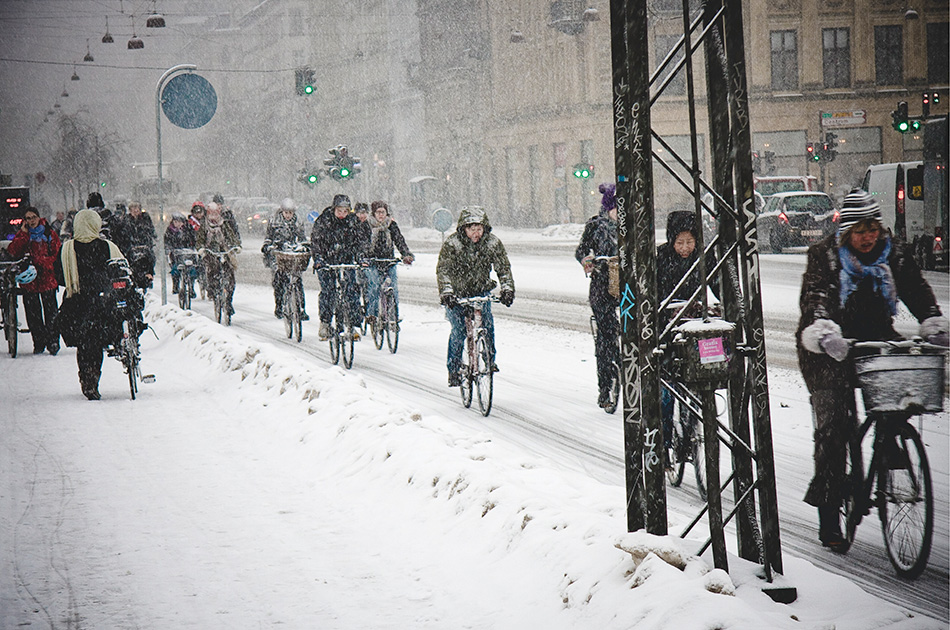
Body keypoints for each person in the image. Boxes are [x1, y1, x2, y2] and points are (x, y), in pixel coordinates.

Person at [796, 188, 947, 552]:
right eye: (860, 231)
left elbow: (915, 288)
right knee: (835, 427)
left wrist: (932, 320)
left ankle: (889, 445)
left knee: (897, 400)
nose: (868, 237)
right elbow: (816, 298)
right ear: (846, 231)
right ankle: (831, 512)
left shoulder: (893, 252)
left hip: (874, 338)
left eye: (873, 229)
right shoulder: (826, 257)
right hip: (827, 347)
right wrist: (825, 332)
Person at [656, 210, 719, 445]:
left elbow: (717, 284)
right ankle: (665, 441)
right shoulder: (661, 257)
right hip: (667, 329)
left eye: (690, 242)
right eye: (680, 242)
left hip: (694, 326)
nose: (685, 248)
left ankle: (691, 428)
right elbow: (651, 292)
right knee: (667, 391)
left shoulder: (704, 257)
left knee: (699, 381)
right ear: (671, 240)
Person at [436, 207, 514, 387]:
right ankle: (454, 369)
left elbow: (503, 268)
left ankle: (489, 359)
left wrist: (507, 288)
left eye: (479, 228)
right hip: (457, 295)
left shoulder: (492, 243)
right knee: (459, 331)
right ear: (463, 228)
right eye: (472, 229)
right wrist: (447, 292)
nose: (476, 233)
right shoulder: (452, 244)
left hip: (480, 291)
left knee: (487, 324)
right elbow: (444, 270)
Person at [55, 209, 125, 400]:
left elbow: (59, 276)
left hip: (76, 304)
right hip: (102, 303)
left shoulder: (67, 249)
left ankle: (86, 378)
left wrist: (75, 280)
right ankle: (93, 378)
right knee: (96, 343)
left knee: (85, 345)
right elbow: (121, 271)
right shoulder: (107, 247)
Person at [575, 183, 619, 409]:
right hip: (602, 286)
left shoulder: (633, 225)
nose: (619, 214)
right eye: (616, 208)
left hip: (628, 288)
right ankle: (604, 388)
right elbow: (581, 250)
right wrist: (588, 261)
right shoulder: (595, 226)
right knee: (606, 337)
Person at [7, 206, 62, 355]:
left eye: (33, 217)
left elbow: (56, 254)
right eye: (28, 218)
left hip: (47, 278)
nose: (31, 221)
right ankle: (39, 342)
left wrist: (40, 261)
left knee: (51, 313)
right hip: (29, 280)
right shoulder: (22, 235)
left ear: (39, 217)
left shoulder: (49, 233)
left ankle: (52, 341)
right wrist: (24, 235)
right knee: (33, 314)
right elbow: (13, 251)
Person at [311, 194, 366, 340]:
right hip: (327, 260)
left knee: (352, 290)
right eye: (339, 211)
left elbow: (359, 241)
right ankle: (325, 323)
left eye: (345, 211)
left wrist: (360, 257)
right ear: (334, 209)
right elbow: (316, 240)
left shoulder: (353, 222)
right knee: (328, 292)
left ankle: (353, 325)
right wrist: (318, 259)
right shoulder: (324, 220)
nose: (342, 215)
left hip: (346, 259)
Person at [364, 200, 414, 328]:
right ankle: (372, 315)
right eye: (378, 212)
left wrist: (406, 254)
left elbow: (399, 240)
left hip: (388, 260)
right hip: (372, 261)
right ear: (373, 213)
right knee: (374, 285)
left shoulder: (391, 225)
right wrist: (364, 257)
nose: (381, 215)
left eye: (383, 212)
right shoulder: (366, 226)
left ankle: (393, 316)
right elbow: (362, 243)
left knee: (394, 288)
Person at [262, 197, 309, 320]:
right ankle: (279, 305)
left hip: (293, 254)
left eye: (291, 213)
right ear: (282, 211)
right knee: (279, 279)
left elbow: (302, 237)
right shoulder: (274, 221)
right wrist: (268, 246)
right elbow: (268, 237)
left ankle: (301, 308)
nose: (288, 215)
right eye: (286, 213)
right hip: (279, 254)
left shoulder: (298, 222)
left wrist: (305, 246)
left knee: (298, 281)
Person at [196, 202, 241, 317]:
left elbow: (232, 237)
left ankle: (228, 302)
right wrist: (201, 249)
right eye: (211, 214)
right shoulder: (204, 225)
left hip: (224, 253)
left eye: (216, 214)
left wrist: (236, 246)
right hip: (211, 253)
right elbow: (200, 239)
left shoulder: (224, 224)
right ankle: (212, 291)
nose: (213, 217)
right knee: (212, 271)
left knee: (230, 277)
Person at [114, 200, 156, 288]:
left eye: (137, 208)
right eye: (133, 208)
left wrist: (148, 239)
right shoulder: (126, 220)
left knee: (149, 257)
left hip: (144, 245)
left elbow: (150, 231)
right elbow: (123, 234)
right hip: (131, 247)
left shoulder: (145, 218)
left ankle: (149, 275)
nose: (135, 210)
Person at [164, 212, 196, 295]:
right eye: (175, 222)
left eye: (179, 222)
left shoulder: (188, 229)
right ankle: (176, 285)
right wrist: (169, 249)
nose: (177, 224)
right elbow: (167, 241)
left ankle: (191, 286)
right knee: (175, 269)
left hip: (188, 252)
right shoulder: (170, 231)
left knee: (192, 269)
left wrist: (192, 247)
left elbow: (194, 238)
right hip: (176, 253)